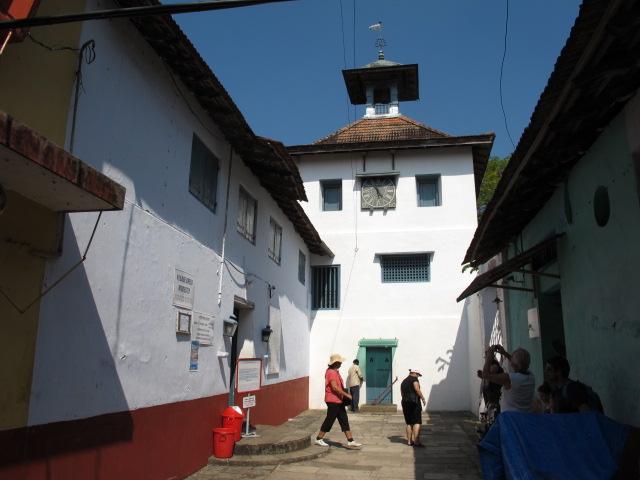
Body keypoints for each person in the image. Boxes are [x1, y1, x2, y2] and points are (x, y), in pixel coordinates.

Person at [315, 354, 363, 448]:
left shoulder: (334, 372)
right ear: (335, 363)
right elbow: (334, 387)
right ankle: (318, 438)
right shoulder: (331, 373)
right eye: (340, 362)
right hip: (333, 400)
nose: (341, 363)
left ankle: (350, 440)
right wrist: (347, 395)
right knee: (330, 419)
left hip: (338, 400)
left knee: (344, 419)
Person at [481, 345, 535, 413]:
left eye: (513, 363)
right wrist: (504, 353)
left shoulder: (511, 379)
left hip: (511, 417)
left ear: (518, 365)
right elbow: (519, 363)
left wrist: (489, 356)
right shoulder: (531, 376)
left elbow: (485, 375)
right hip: (525, 415)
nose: (511, 363)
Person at [400, 369, 426, 447]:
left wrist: (406, 400)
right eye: (418, 375)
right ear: (414, 373)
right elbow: (417, 389)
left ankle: (409, 441)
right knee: (417, 422)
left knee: (409, 422)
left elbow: (402, 393)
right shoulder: (414, 379)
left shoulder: (404, 381)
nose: (418, 376)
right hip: (414, 402)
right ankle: (416, 442)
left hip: (405, 402)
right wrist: (423, 398)